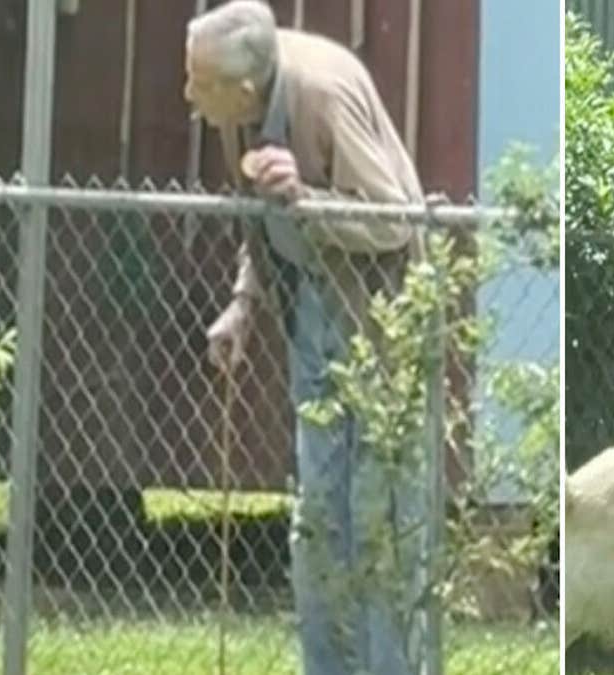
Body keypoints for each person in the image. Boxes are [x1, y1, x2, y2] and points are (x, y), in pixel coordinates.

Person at [184, 2, 427, 673]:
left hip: (382, 326)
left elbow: (395, 222)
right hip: (309, 316)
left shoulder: (322, 95)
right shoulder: (239, 107)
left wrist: (310, 200)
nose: (186, 95)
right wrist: (242, 302)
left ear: (240, 88)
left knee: (380, 526)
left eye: (196, 82)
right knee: (319, 519)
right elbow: (265, 219)